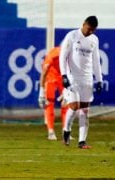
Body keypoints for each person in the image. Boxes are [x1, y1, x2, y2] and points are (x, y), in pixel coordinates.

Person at [59, 16, 103, 149]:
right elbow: (63, 56)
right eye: (89, 29)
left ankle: (82, 141)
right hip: (73, 77)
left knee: (85, 110)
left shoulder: (94, 40)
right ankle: (66, 130)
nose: (90, 32)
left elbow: (96, 60)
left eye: (93, 30)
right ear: (84, 24)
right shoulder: (72, 36)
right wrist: (64, 75)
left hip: (87, 78)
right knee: (74, 106)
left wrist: (99, 79)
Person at [38, 47, 68, 140]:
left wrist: (67, 90)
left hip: (63, 77)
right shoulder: (52, 57)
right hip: (51, 76)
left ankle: (66, 130)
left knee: (66, 103)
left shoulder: (71, 57)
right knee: (49, 102)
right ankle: (50, 131)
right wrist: (41, 92)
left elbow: (73, 74)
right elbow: (43, 74)